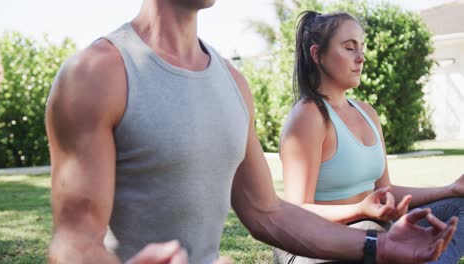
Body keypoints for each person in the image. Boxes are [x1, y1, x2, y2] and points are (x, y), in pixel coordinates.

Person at [45, 1, 458, 264]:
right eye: (348, 47)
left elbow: (267, 213)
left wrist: (380, 248)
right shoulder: (97, 74)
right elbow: (74, 242)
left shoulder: (233, 83)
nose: (360, 57)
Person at [276, 10, 464, 264]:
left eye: (361, 48)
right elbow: (297, 212)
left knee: (460, 206)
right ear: (317, 54)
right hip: (316, 244)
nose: (361, 58)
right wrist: (360, 210)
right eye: (349, 48)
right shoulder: (309, 116)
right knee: (372, 231)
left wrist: (449, 189)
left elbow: (385, 191)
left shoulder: (366, 112)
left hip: (373, 229)